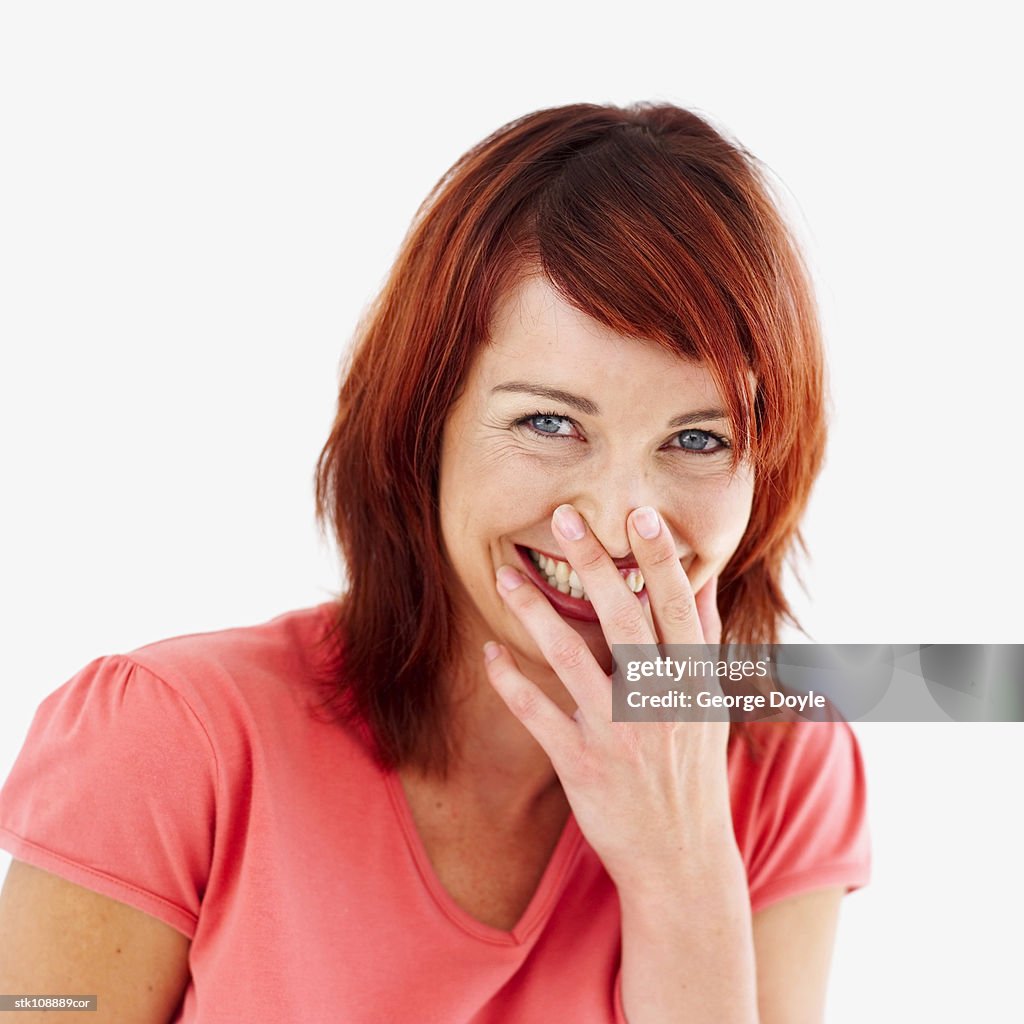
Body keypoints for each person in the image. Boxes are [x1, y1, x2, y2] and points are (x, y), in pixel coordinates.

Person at [0, 102, 870, 1022]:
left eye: (697, 439)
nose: (620, 529)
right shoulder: (171, 745)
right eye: (549, 423)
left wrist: (683, 870)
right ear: (425, 427)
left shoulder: (781, 764)